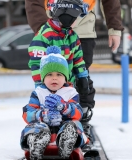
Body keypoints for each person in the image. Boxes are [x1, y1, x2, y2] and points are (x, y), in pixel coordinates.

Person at [25, 0, 124, 151]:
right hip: (49, 23)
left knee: (76, 94)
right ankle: (38, 135)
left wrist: (83, 77)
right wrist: (40, 87)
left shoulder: (73, 37)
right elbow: (36, 65)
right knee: (40, 103)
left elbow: (78, 60)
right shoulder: (43, 37)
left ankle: (74, 131)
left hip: (83, 27)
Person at [21, 46, 89, 159]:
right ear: (43, 77)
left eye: (59, 74)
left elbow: (78, 112)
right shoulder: (38, 93)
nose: (54, 78)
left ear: (65, 77)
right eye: (49, 75)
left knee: (73, 125)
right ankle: (37, 144)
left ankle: (66, 143)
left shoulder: (70, 92)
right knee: (36, 127)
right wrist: (42, 115)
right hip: (44, 127)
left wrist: (65, 107)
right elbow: (27, 113)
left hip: (63, 127)